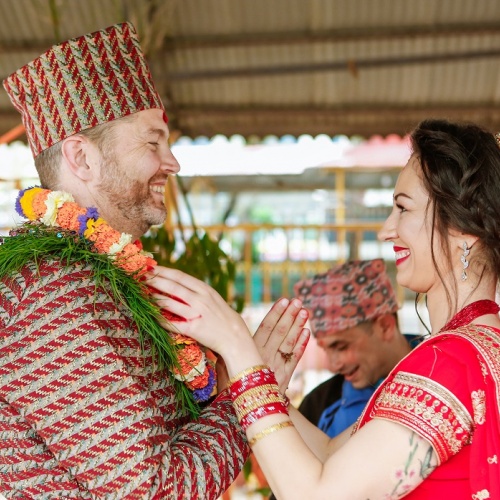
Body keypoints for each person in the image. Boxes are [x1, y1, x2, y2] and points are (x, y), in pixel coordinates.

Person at [0, 23, 310, 498]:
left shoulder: (98, 276)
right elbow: (151, 490)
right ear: (82, 158)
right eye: (152, 142)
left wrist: (237, 385)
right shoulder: (52, 291)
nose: (173, 162)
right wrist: (246, 397)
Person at [148, 118, 500, 498]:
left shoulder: (451, 361)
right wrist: (254, 379)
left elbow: (318, 494)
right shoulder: (478, 346)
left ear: (463, 227)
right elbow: (332, 457)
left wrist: (238, 346)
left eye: (403, 208)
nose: (386, 229)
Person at [294, 259, 413, 437]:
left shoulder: (441, 380)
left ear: (385, 326)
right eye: (326, 349)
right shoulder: (317, 405)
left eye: (341, 347)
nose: (334, 366)